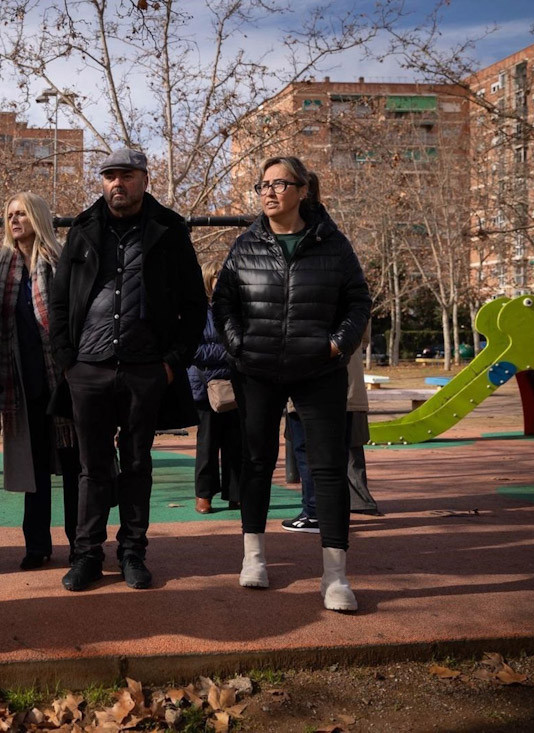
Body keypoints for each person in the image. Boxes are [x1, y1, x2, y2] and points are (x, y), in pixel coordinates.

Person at [213, 156, 370, 612]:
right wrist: (238, 344)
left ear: (303, 190)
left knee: (327, 468)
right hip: (256, 370)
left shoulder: (333, 244)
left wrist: (337, 345)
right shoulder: (245, 244)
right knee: (256, 462)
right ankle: (254, 559)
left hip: (319, 369)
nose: (268, 191)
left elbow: (358, 301)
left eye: (279, 183)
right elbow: (223, 302)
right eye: (263, 184)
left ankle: (335, 577)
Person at [49, 148, 206, 592]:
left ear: (144, 179)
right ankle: (87, 555)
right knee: (92, 467)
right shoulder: (82, 229)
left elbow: (195, 305)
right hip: (88, 369)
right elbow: (59, 301)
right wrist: (68, 362)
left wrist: (171, 364)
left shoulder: (169, 229)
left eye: (127, 175)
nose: (117, 183)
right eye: (110, 176)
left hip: (145, 369)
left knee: (137, 463)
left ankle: (133, 553)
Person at [0, 192, 81, 569]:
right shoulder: (0, 271)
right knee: (34, 467)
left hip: (64, 379)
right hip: (22, 385)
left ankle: (81, 543)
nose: (14, 220)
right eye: (10, 214)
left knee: (74, 466)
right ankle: (37, 545)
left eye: (22, 213)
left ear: (37, 217)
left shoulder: (62, 262)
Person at [283, 323, 379, 533]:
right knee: (339, 454)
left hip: (309, 384)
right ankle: (334, 514)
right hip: (348, 388)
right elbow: (363, 338)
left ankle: (314, 512)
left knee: (308, 452)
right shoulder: (358, 302)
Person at [189, 257, 242, 515]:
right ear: (207, 279)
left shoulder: (236, 310)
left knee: (236, 443)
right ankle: (204, 494)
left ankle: (236, 493)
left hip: (235, 385)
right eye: (217, 275)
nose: (221, 280)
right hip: (206, 385)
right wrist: (228, 352)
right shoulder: (197, 312)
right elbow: (194, 350)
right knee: (207, 444)